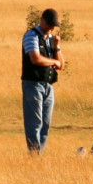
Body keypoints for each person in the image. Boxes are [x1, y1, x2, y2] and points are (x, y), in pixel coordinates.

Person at [21, 8, 66, 152]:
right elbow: (35, 59)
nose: (52, 28)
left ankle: (38, 154)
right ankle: (34, 155)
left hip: (48, 86)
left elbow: (61, 65)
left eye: (54, 25)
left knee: (45, 124)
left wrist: (57, 46)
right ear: (42, 20)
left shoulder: (50, 40)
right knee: (35, 123)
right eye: (50, 24)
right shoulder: (31, 35)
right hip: (33, 84)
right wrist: (53, 62)